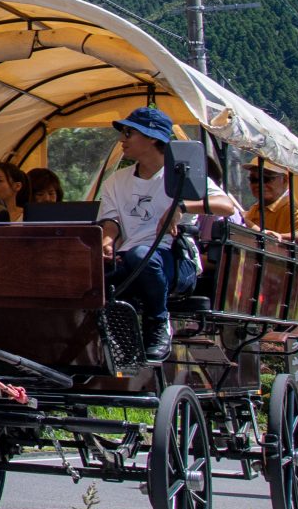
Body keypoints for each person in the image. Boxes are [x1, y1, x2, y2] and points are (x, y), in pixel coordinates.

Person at [96, 105, 242, 364]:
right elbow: (111, 220)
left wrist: (182, 206)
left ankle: (158, 323)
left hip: (173, 261)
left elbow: (226, 205)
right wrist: (107, 240)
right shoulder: (115, 181)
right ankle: (117, 340)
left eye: (129, 133)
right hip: (129, 257)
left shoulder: (181, 175)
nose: (122, 139)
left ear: (152, 137)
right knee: (92, 273)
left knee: (142, 256)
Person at [249, 162, 298, 252]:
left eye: (266, 179)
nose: (258, 184)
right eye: (253, 180)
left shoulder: (292, 209)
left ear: (284, 180)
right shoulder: (255, 208)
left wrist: (280, 236)